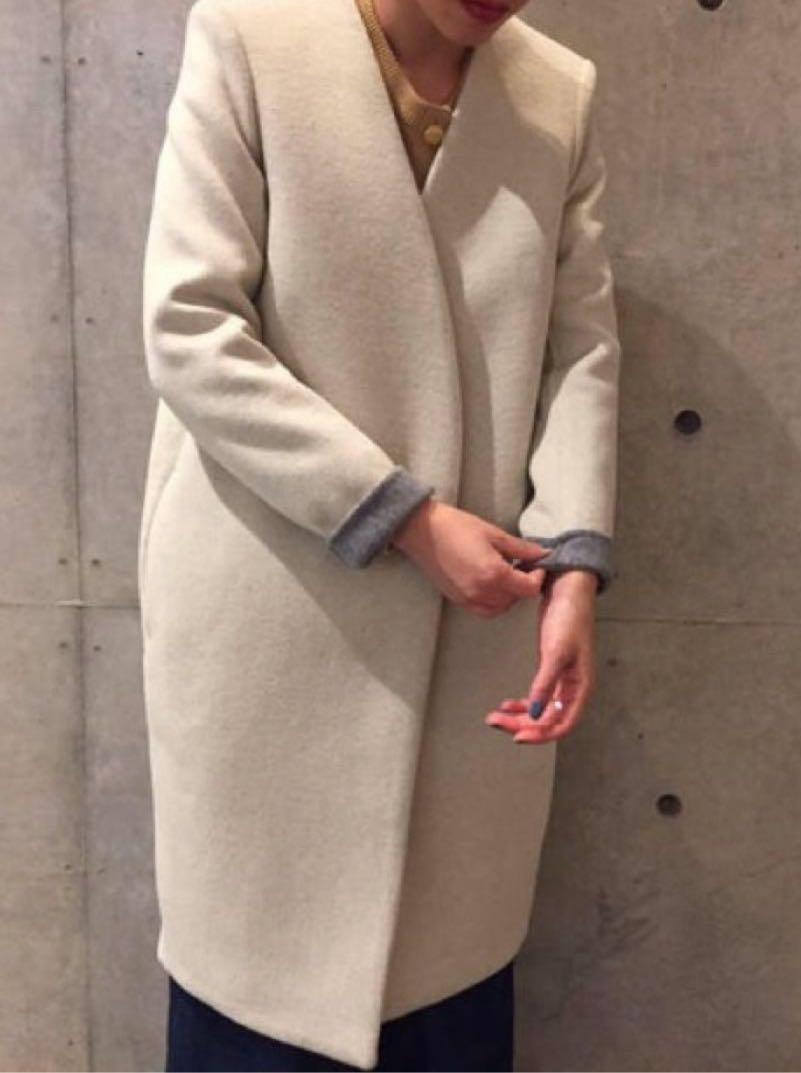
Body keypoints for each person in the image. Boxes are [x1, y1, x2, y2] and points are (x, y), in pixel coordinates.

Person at [139, 0, 621, 1068]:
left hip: (476, 642)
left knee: (445, 990)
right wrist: (403, 517)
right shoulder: (254, 37)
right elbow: (191, 327)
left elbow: (580, 347)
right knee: (256, 1008)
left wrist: (575, 568)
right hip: (274, 613)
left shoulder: (555, 93)